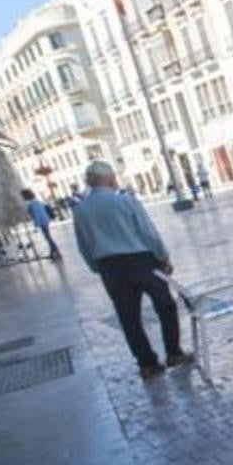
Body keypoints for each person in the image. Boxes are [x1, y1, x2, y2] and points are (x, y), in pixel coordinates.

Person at [72, 161, 193, 379]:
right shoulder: (125, 201)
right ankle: (173, 352)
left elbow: (84, 244)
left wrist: (97, 267)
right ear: (110, 179)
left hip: (110, 267)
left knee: (128, 317)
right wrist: (163, 257)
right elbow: (148, 233)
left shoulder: (80, 210)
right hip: (141, 260)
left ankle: (147, 363)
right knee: (165, 304)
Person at [21, 189, 60, 259]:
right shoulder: (37, 202)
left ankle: (56, 252)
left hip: (42, 222)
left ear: (26, 196)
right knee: (48, 237)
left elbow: (37, 215)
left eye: (23, 196)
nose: (22, 197)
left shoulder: (32, 204)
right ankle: (53, 251)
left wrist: (36, 225)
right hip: (45, 220)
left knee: (48, 237)